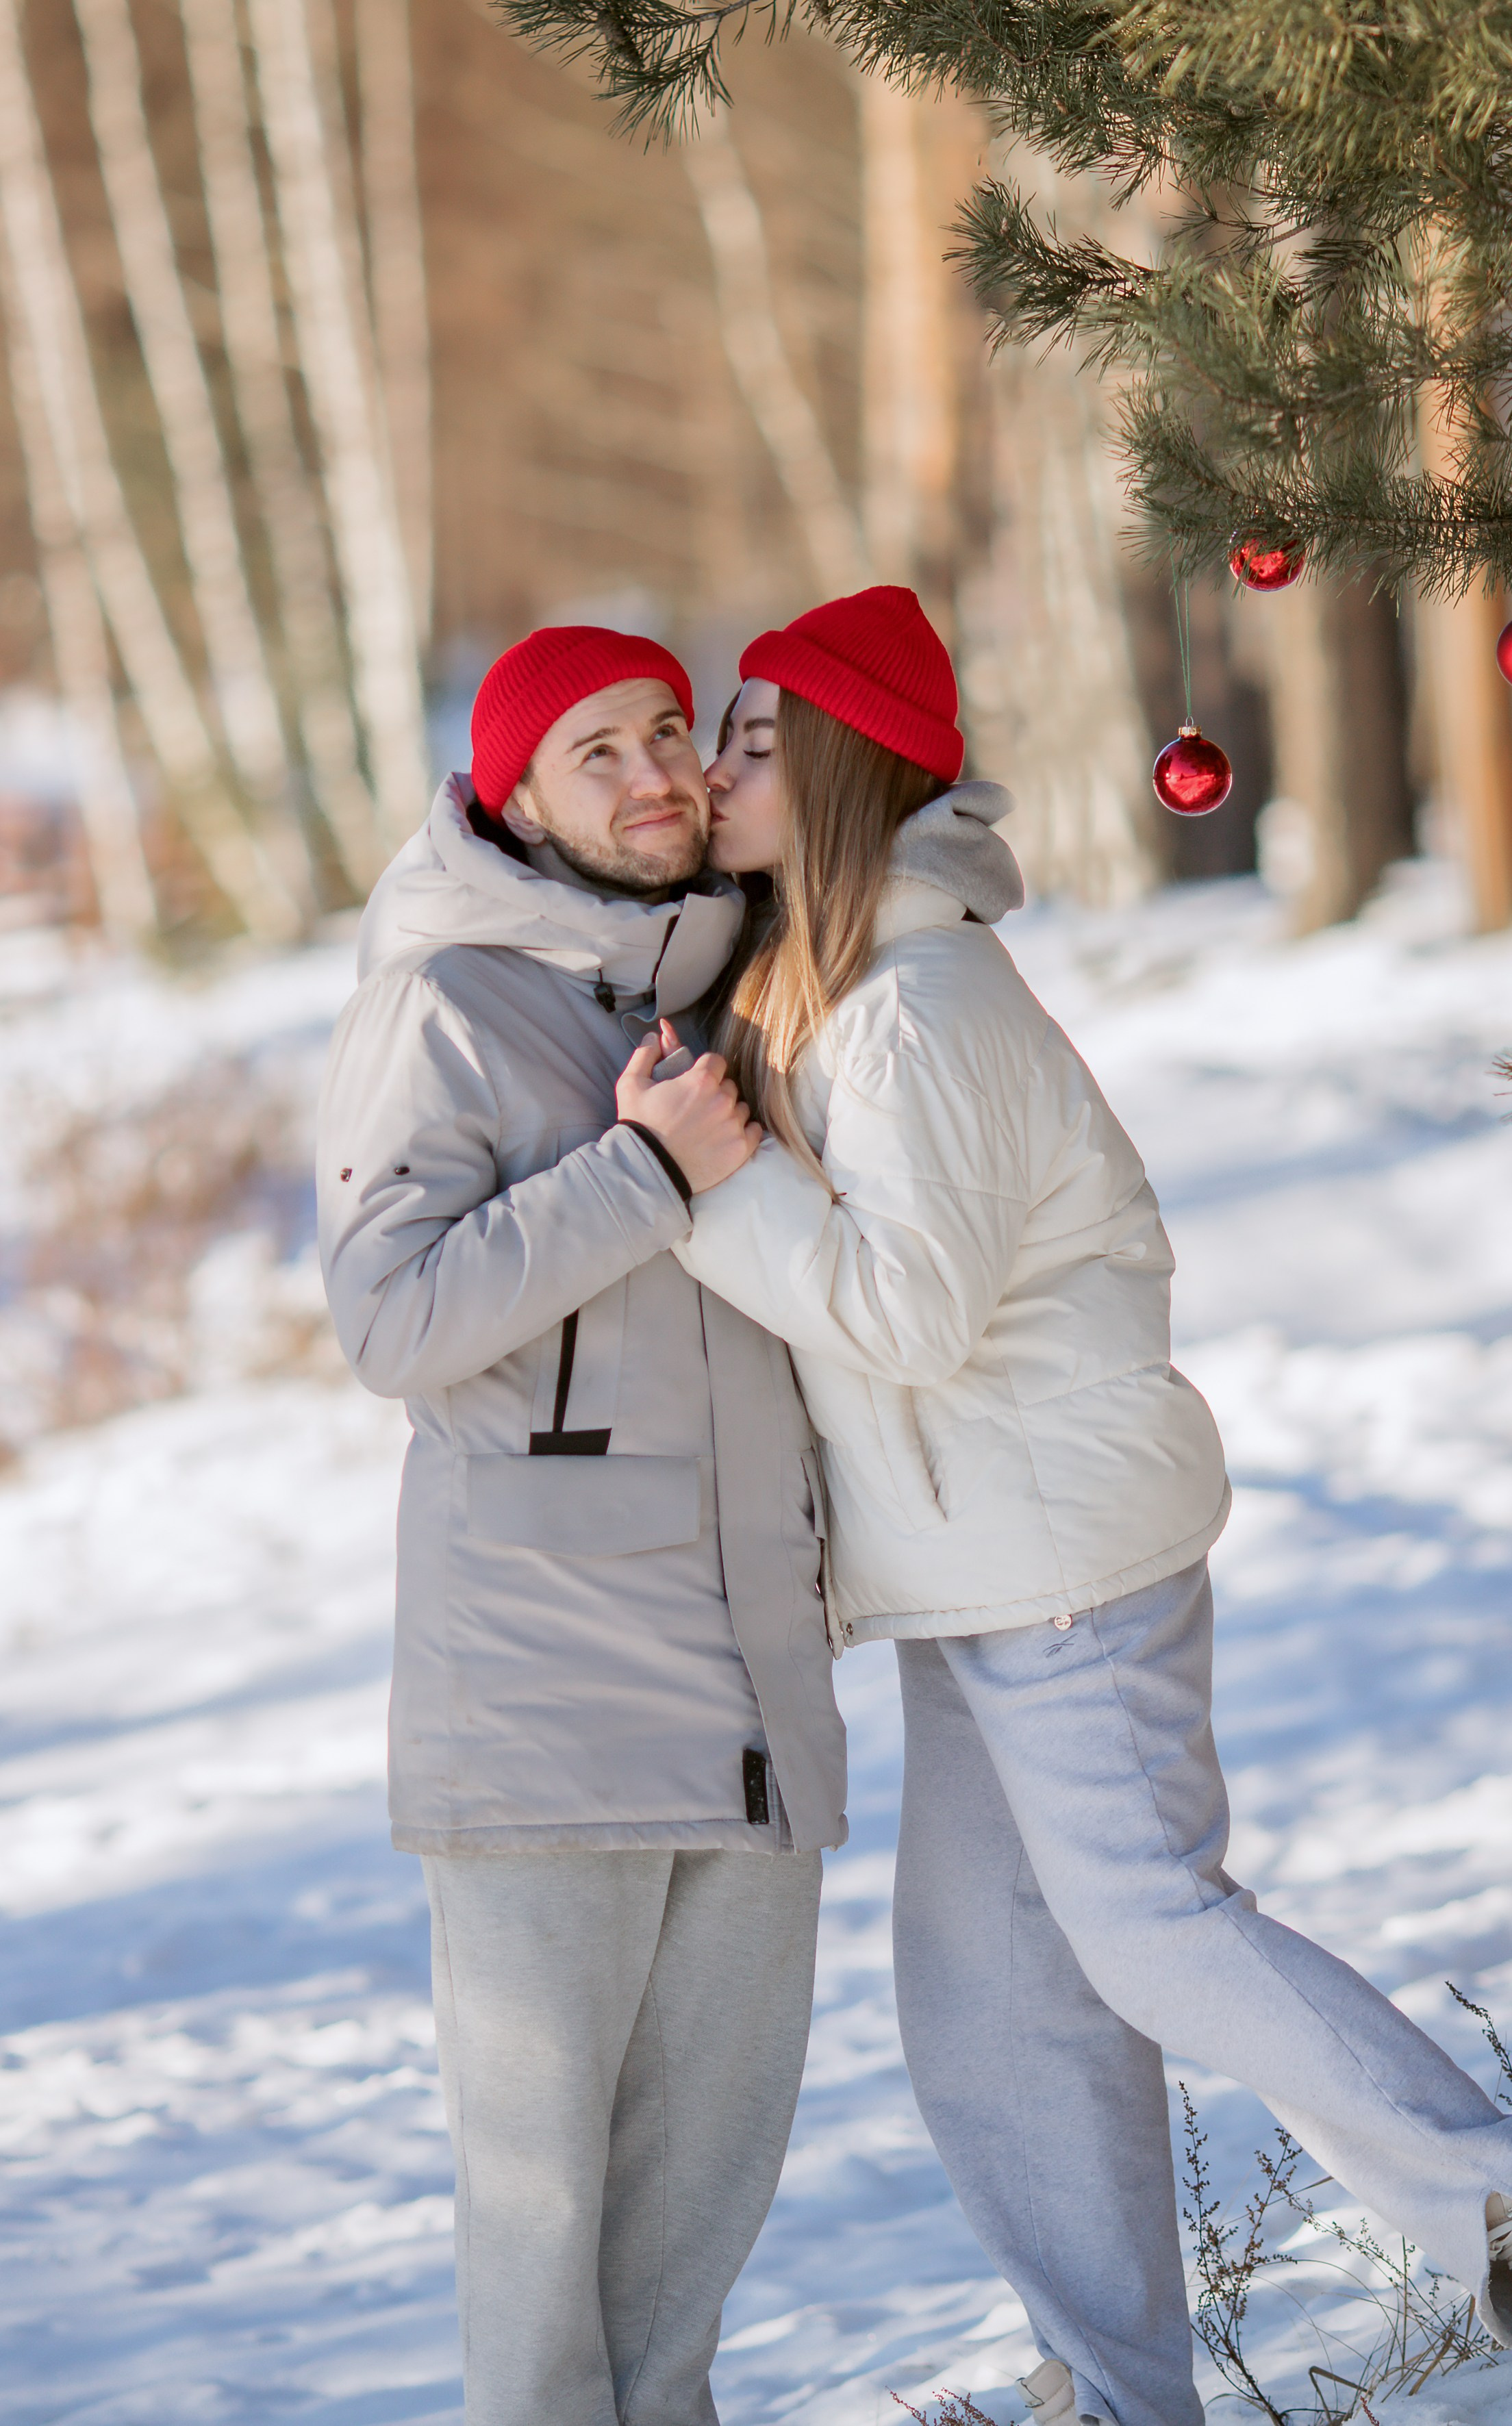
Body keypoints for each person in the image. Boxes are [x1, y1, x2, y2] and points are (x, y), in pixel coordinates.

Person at [617, 584, 1512, 2426]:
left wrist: (710, 1182)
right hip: (977, 1567)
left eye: (756, 738)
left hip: (1058, 1560)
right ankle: (1111, 2387)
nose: (720, 766)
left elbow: (905, 1315)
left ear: (835, 771)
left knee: (1149, 1927)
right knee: (996, 2013)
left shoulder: (920, 1010)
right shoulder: (847, 990)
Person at [316, 624, 846, 2426]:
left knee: (690, 2243)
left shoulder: (740, 990)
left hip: (750, 1697)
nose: (655, 776)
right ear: (512, 796)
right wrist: (637, 1176)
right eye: (596, 751)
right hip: (542, 1704)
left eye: (671, 733)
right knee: (545, 2257)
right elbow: (393, 1322)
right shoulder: (450, 1004)